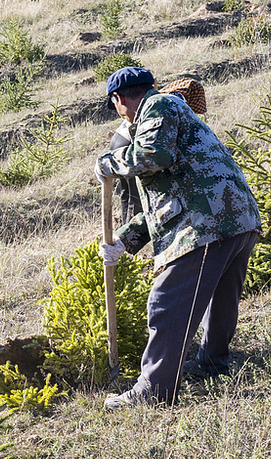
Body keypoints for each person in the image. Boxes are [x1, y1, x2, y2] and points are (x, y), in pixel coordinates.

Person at [97, 65, 261, 407]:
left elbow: (154, 156)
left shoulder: (157, 107)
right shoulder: (178, 115)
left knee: (166, 303)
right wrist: (124, 241)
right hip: (236, 217)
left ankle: (154, 391)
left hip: (206, 224)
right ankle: (211, 365)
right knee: (219, 300)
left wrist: (108, 163)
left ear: (119, 99)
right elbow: (165, 197)